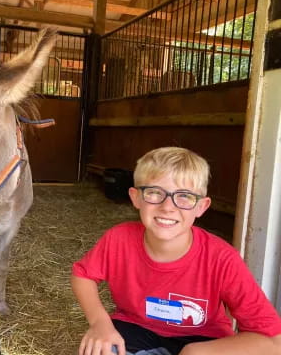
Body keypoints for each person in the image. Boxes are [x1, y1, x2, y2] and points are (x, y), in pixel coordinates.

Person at [71, 147, 281, 355]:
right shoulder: (118, 239)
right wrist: (100, 322)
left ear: (201, 207)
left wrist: (196, 352)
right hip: (135, 328)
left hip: (204, 338)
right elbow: (82, 274)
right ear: (135, 197)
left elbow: (274, 341)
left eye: (184, 196)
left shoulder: (222, 258)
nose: (168, 207)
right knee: (100, 349)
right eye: (154, 193)